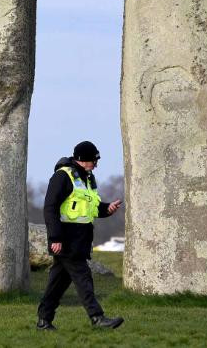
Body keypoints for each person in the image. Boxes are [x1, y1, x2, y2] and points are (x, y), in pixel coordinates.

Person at [36, 141, 124, 330]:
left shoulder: (88, 178)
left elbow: (91, 208)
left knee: (57, 284)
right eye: (94, 160)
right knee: (84, 278)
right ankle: (97, 317)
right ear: (82, 159)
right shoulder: (62, 176)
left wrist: (107, 208)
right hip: (66, 240)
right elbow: (50, 208)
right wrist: (55, 238)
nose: (96, 164)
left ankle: (43, 321)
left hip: (81, 240)